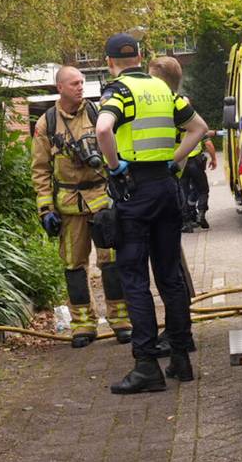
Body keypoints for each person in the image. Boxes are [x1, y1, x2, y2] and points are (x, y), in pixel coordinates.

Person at [94, 33, 211, 394]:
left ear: (111, 61)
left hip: (135, 191)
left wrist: (115, 167)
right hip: (165, 189)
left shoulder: (119, 91)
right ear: (141, 56)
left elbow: (102, 128)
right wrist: (174, 161)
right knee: (170, 276)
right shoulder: (164, 91)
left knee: (134, 278)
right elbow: (199, 129)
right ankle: (180, 358)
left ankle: (146, 365)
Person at [31, 66, 133, 348]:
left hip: (102, 199)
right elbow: (40, 169)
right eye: (75, 83)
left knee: (110, 262)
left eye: (82, 83)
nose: (80, 87)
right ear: (60, 88)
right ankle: (83, 325)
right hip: (68, 205)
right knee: (73, 266)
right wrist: (45, 209)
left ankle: (121, 320)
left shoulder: (98, 113)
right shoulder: (46, 124)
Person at [147, 57, 216, 232]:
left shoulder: (165, 103)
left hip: (162, 172)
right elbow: (202, 130)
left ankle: (187, 221)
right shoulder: (181, 105)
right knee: (196, 192)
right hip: (181, 166)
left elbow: (201, 129)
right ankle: (194, 217)